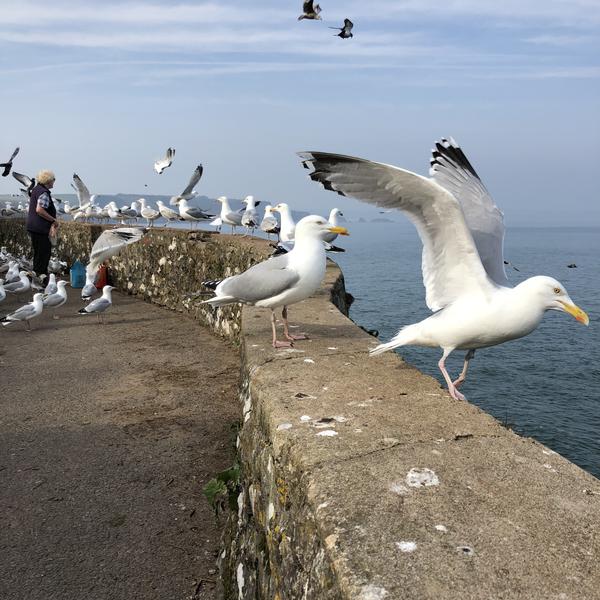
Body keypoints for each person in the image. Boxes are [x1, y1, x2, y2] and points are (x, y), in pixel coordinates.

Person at [26, 170, 59, 280]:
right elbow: (40, 210)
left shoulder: (36, 189)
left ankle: (36, 275)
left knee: (38, 253)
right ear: (48, 180)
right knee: (44, 253)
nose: (54, 182)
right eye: (53, 179)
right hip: (40, 228)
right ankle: (41, 277)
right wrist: (53, 220)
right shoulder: (44, 192)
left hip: (33, 226)